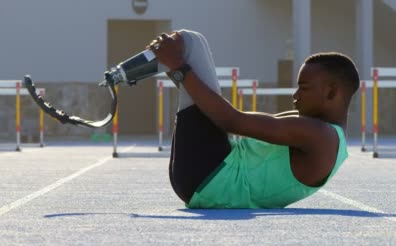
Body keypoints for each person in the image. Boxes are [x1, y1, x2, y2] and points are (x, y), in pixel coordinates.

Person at [147, 29, 360, 209]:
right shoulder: (322, 133)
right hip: (207, 178)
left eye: (303, 89)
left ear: (332, 92)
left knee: (190, 42)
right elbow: (228, 121)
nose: (295, 96)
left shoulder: (319, 135)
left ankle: (118, 76)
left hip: (210, 178)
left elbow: (232, 122)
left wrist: (178, 68)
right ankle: (133, 70)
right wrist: (180, 74)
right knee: (189, 44)